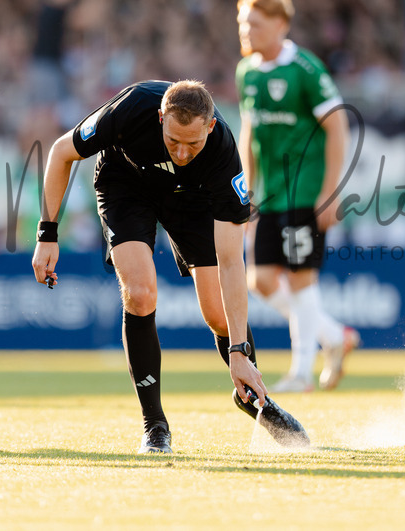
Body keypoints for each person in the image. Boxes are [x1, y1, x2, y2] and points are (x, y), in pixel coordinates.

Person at [31, 79, 310, 453]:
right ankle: (154, 426)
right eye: (172, 139)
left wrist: (238, 351)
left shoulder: (225, 156)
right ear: (160, 117)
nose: (181, 152)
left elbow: (231, 263)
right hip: (125, 187)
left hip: (191, 201)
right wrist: (47, 233)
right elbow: (61, 153)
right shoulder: (129, 109)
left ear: (210, 127)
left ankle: (254, 398)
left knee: (219, 315)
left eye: (192, 143)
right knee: (141, 293)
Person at [235, 0, 360, 394]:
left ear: (280, 25)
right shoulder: (248, 72)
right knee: (262, 281)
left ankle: (302, 372)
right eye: (243, 23)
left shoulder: (305, 69)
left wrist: (330, 191)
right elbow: (249, 131)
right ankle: (332, 337)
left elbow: (338, 126)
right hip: (268, 194)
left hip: (305, 192)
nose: (246, 30)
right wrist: (245, 190)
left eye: (254, 23)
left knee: (302, 279)